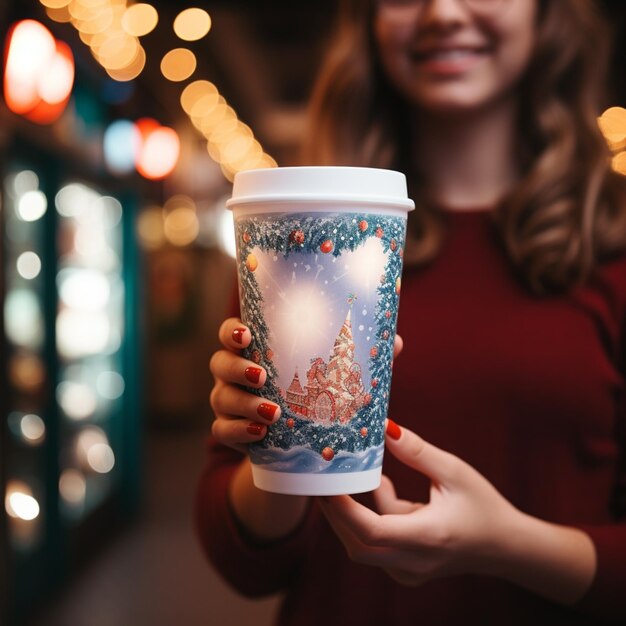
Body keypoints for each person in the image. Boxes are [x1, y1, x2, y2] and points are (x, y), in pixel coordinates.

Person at [196, 0, 626, 624]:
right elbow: (244, 564)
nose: (443, 13)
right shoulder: (293, 246)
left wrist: (508, 545)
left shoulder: (613, 248)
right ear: (367, 21)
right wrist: (280, 452)